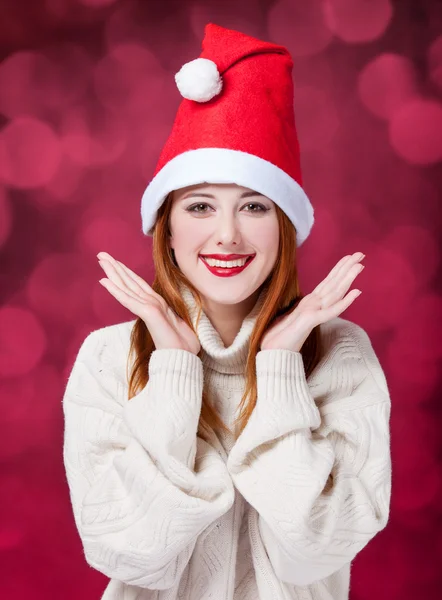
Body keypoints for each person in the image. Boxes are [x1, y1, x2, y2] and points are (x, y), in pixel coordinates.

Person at [62, 23, 392, 600]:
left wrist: (280, 366)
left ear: (284, 228)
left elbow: (313, 552)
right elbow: (132, 554)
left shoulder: (340, 351)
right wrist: (173, 368)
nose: (227, 235)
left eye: (255, 206)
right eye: (200, 205)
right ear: (166, 229)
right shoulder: (109, 356)